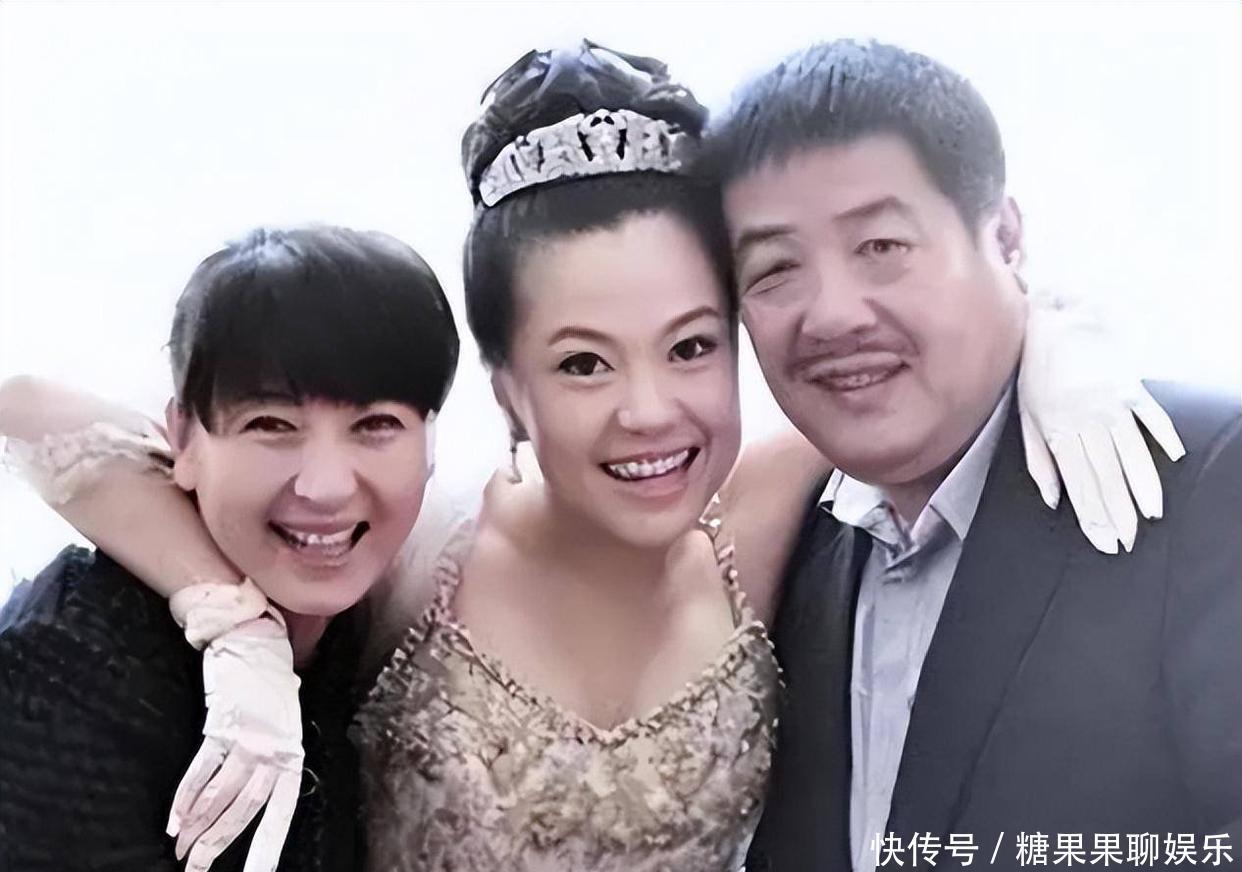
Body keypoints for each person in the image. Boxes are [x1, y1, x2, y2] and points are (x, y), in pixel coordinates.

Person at [0, 42, 1184, 872]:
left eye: (691, 346)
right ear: (503, 384)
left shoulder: (771, 500)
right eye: (581, 363)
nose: (648, 413)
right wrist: (235, 624)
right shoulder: (409, 537)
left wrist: (1059, 331)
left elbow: (915, 353)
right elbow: (41, 409)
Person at [703, 39, 1242, 872]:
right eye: (775, 269)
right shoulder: (791, 541)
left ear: (1006, 236)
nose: (833, 315)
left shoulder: (1204, 481)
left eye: (882, 246)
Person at [0, 225, 459, 872]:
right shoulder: (67, 670)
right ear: (183, 438)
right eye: (271, 425)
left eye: (376, 425)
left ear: (431, 443)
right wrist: (239, 627)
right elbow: (21, 405)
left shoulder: (391, 617)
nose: (326, 487)